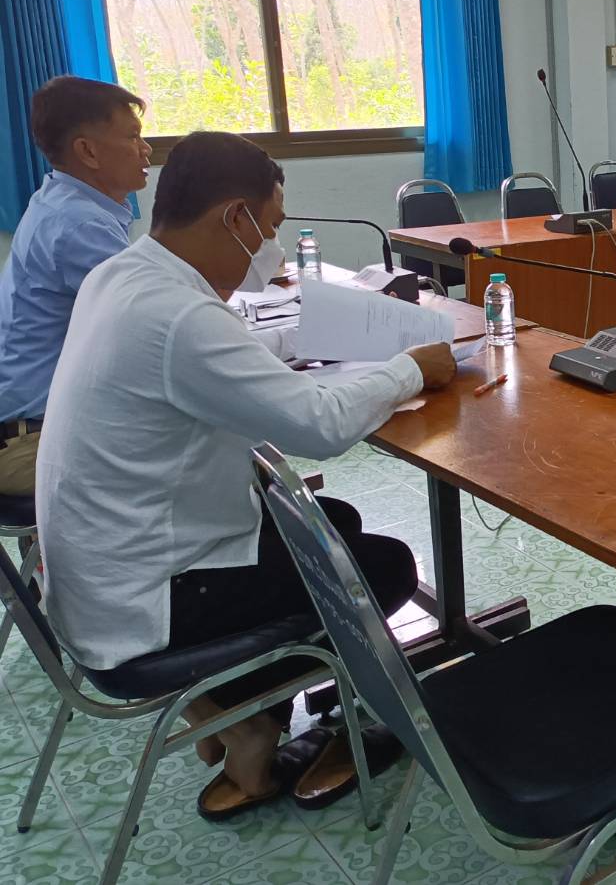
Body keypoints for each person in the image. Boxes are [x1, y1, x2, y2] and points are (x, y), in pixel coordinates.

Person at [35, 131, 456, 819]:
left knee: (336, 524)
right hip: (148, 604)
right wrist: (413, 367)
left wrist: (309, 337)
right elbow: (318, 428)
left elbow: (212, 354)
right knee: (378, 567)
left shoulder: (126, 274)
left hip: (98, 575)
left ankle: (236, 709)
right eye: (270, 226)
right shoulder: (177, 316)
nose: (273, 246)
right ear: (234, 217)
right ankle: (252, 717)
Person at [0, 77, 151, 495]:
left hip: (29, 422)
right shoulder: (80, 224)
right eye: (133, 137)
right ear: (87, 150)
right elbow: (148, 326)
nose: (146, 149)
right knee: (194, 451)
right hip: (31, 440)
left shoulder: (61, 200)